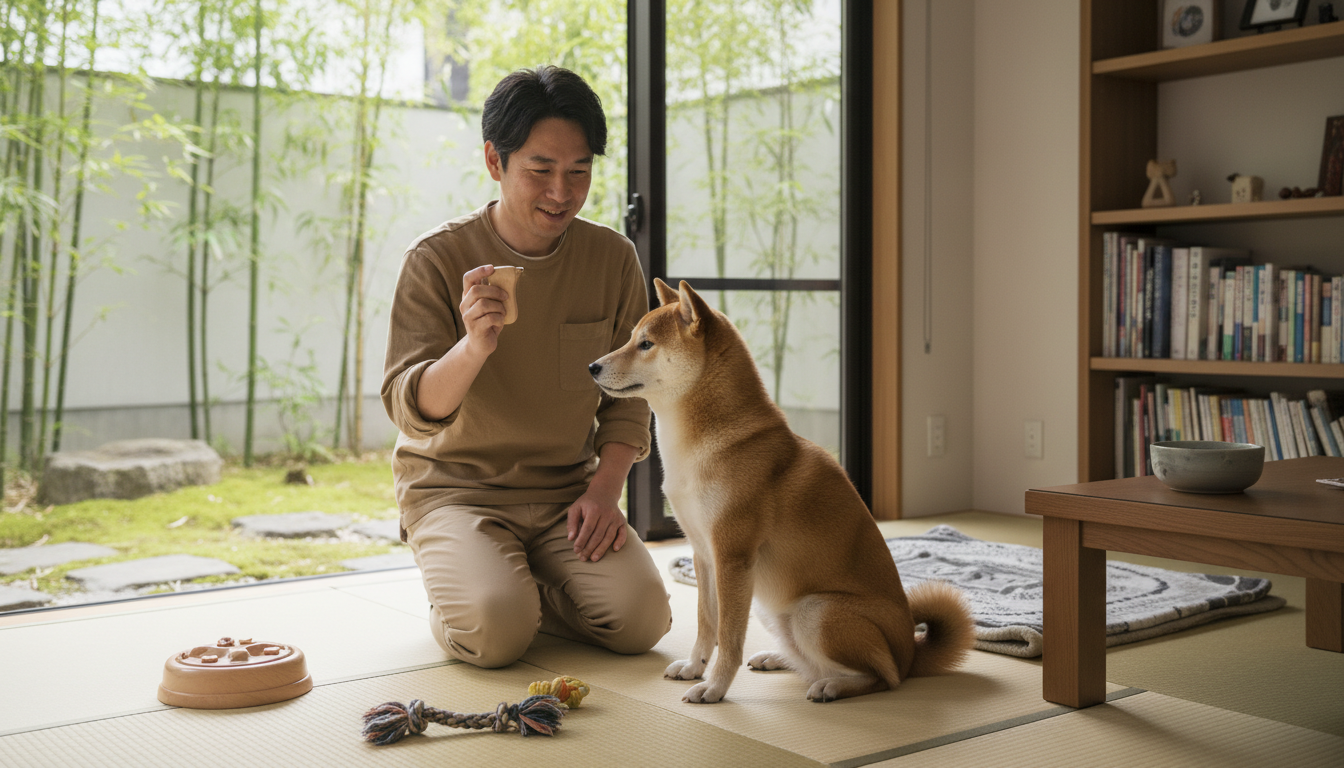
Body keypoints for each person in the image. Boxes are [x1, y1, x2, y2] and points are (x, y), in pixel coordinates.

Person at [381, 65, 671, 668]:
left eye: (579, 171)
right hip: (456, 491)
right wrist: (474, 347)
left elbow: (631, 393)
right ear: (496, 160)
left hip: (568, 492)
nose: (561, 192)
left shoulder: (612, 257)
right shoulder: (435, 259)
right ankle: (481, 597)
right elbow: (412, 412)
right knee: (495, 635)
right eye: (540, 170)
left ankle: (525, 593)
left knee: (642, 622)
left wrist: (604, 491)